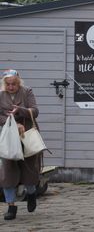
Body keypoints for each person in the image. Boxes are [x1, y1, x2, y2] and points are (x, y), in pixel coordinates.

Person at [0, 69, 41, 220]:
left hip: (27, 136)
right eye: (8, 84)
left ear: (19, 83)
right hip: (9, 138)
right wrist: (11, 123)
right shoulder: (1, 94)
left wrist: (21, 110)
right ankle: (11, 207)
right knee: (8, 171)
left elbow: (35, 111)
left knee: (29, 169)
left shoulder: (27, 91)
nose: (11, 87)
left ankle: (31, 194)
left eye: (14, 84)